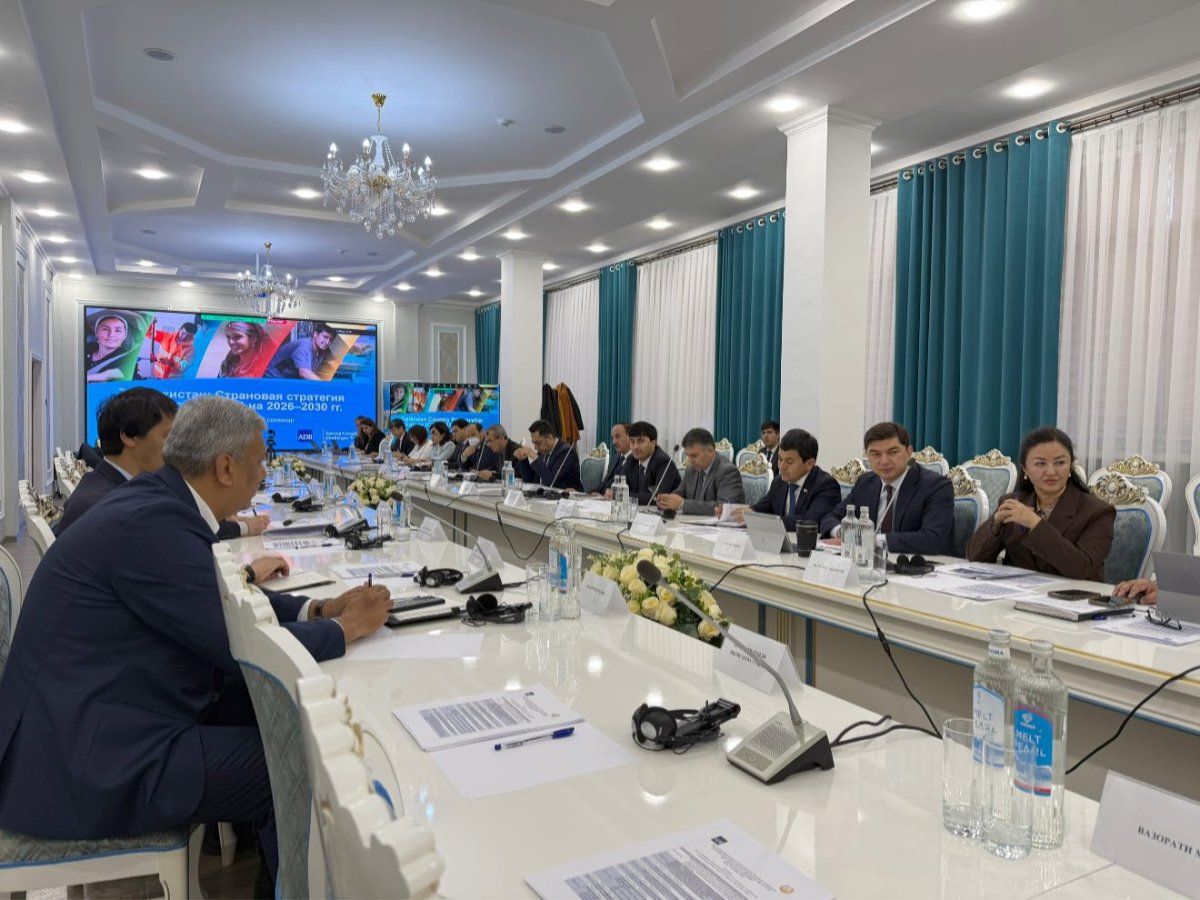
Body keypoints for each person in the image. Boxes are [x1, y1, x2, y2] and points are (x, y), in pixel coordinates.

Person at [0, 396, 392, 890]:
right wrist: (345, 628)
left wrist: (317, 609)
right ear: (225, 468)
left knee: (277, 716)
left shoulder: (159, 503)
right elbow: (237, 642)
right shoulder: (154, 522)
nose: (264, 472)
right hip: (91, 758)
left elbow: (218, 601)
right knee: (301, 765)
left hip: (98, 711)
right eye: (260, 461)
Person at [54, 388, 268, 541]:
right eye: (169, 437)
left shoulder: (113, 487)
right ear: (129, 436)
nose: (179, 447)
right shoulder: (106, 505)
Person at [966, 427, 1115, 581]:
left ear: (1070, 466)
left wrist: (1035, 524)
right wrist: (995, 525)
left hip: (1071, 593)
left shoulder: (1098, 511)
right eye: (1040, 463)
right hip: (1017, 591)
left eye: (1060, 463)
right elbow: (974, 558)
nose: (1051, 472)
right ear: (1025, 469)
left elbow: (1081, 568)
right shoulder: (1014, 502)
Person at [820, 421, 954, 555]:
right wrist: (843, 533)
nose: (884, 461)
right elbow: (830, 518)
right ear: (867, 456)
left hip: (916, 563)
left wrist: (872, 540)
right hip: (866, 560)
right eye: (875, 454)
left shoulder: (936, 486)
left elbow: (933, 539)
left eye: (893, 452)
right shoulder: (865, 483)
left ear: (909, 452)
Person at [729, 428, 840, 530]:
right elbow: (760, 508)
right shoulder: (779, 481)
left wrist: (760, 520)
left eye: (789, 462)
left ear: (809, 463)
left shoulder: (826, 486)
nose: (781, 466)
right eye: (780, 459)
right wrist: (740, 512)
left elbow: (809, 522)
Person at [657, 427, 744, 515]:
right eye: (687, 455)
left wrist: (683, 504)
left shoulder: (727, 471)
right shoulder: (691, 469)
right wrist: (666, 501)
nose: (690, 461)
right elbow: (679, 494)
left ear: (710, 450)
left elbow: (724, 507)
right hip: (692, 522)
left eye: (694, 456)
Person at [615, 421, 680, 506]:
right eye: (632, 441)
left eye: (641, 441)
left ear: (653, 443)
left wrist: (622, 496)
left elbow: (657, 498)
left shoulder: (663, 462)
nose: (635, 447)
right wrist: (614, 493)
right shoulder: (631, 459)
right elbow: (620, 487)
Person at [513, 420, 583, 492]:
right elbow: (530, 481)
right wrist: (523, 460)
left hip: (567, 497)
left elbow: (551, 482)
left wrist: (534, 456)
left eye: (538, 443)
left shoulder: (566, 452)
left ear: (550, 438)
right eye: (534, 443)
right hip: (546, 496)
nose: (536, 448)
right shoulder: (543, 452)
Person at [264, 322, 336, 380]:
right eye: (325, 337)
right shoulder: (304, 347)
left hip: (287, 378)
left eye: (330, 340)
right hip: (272, 377)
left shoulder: (321, 350)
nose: (327, 342)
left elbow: (333, 363)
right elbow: (304, 373)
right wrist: (327, 387)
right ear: (315, 334)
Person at [85, 312, 135, 383]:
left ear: (124, 336)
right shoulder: (83, 350)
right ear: (96, 332)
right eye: (105, 329)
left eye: (118, 330)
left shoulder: (128, 357)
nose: (111, 334)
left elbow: (112, 374)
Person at [596, 422, 632, 495]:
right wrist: (592, 492)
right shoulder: (615, 458)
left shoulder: (637, 460)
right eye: (613, 438)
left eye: (618, 436)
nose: (614, 442)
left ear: (630, 437)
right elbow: (606, 482)